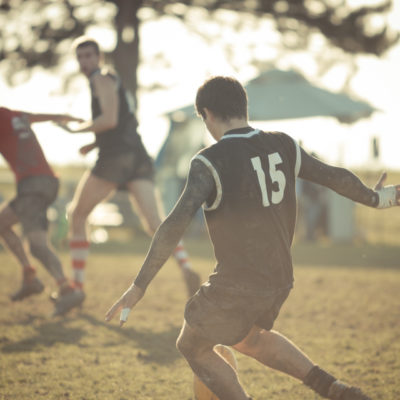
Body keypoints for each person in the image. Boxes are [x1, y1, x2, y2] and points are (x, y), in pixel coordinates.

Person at [105, 76, 400, 400]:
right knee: (250, 337)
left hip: (237, 281)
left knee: (191, 344)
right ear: (243, 107)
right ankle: (334, 389)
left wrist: (138, 286)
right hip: (280, 277)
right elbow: (333, 176)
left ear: (207, 114)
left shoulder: (208, 161)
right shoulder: (283, 144)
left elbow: (173, 225)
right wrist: (378, 199)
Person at [57, 37, 200, 298]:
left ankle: (76, 287)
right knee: (155, 223)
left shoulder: (100, 79)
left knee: (77, 215)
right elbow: (120, 121)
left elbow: (109, 120)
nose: (85, 62)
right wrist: (93, 144)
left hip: (115, 158)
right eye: (80, 57)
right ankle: (187, 267)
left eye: (89, 56)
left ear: (99, 58)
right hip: (137, 156)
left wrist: (75, 128)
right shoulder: (112, 79)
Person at [0, 107, 85, 316]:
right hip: (44, 182)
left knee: (37, 246)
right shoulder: (12, 114)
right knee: (3, 224)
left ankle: (66, 289)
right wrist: (64, 116)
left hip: (33, 185)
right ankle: (30, 276)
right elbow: (37, 117)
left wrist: (63, 116)